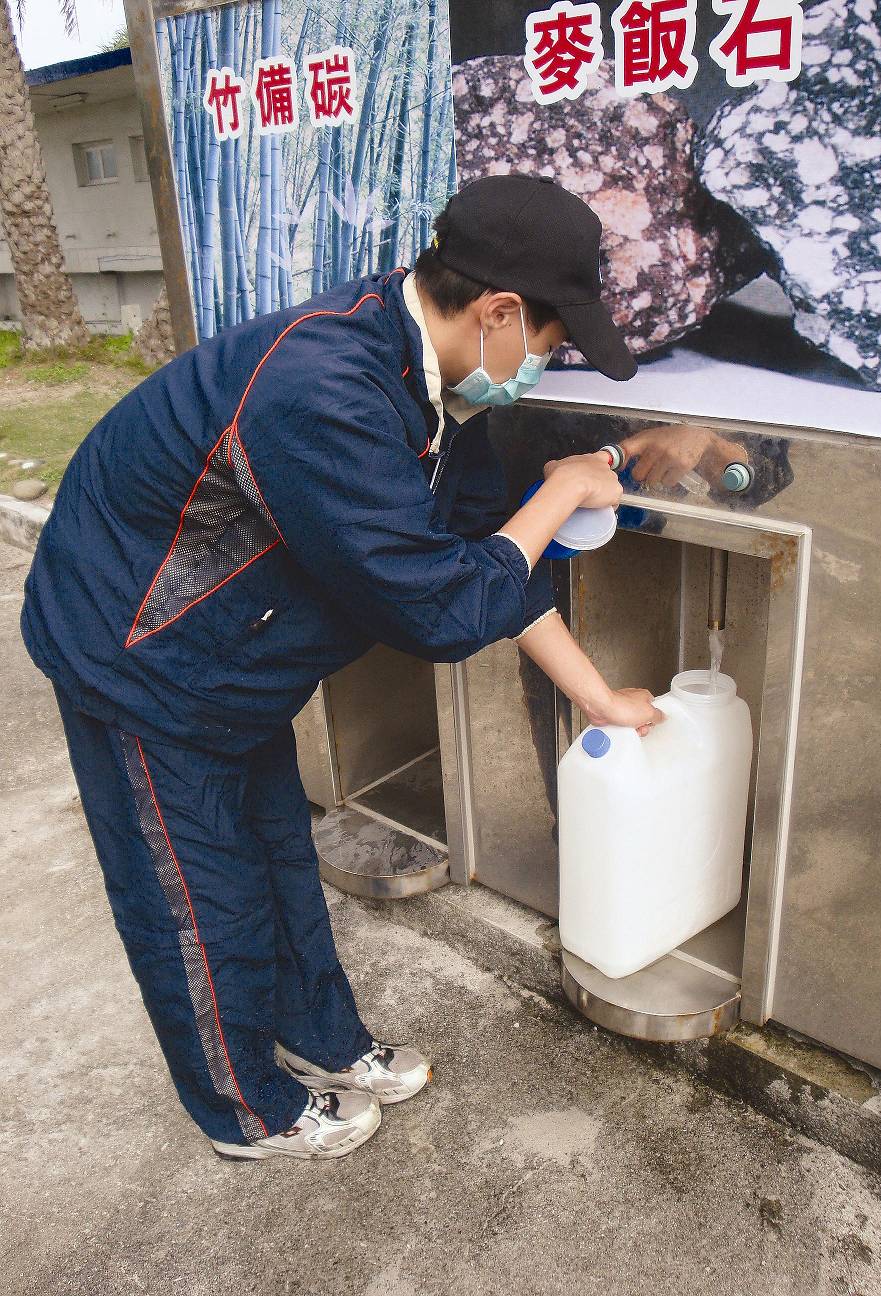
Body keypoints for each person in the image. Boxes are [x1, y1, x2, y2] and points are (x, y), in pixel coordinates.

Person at [20, 172, 662, 1163]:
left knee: (277, 855)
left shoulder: (438, 387)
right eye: (547, 341)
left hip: (239, 655)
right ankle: (245, 1111)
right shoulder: (319, 387)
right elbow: (446, 605)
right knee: (195, 896)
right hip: (140, 657)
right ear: (497, 311)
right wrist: (563, 487)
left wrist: (598, 697)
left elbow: (490, 558)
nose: (540, 365)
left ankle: (320, 1037)